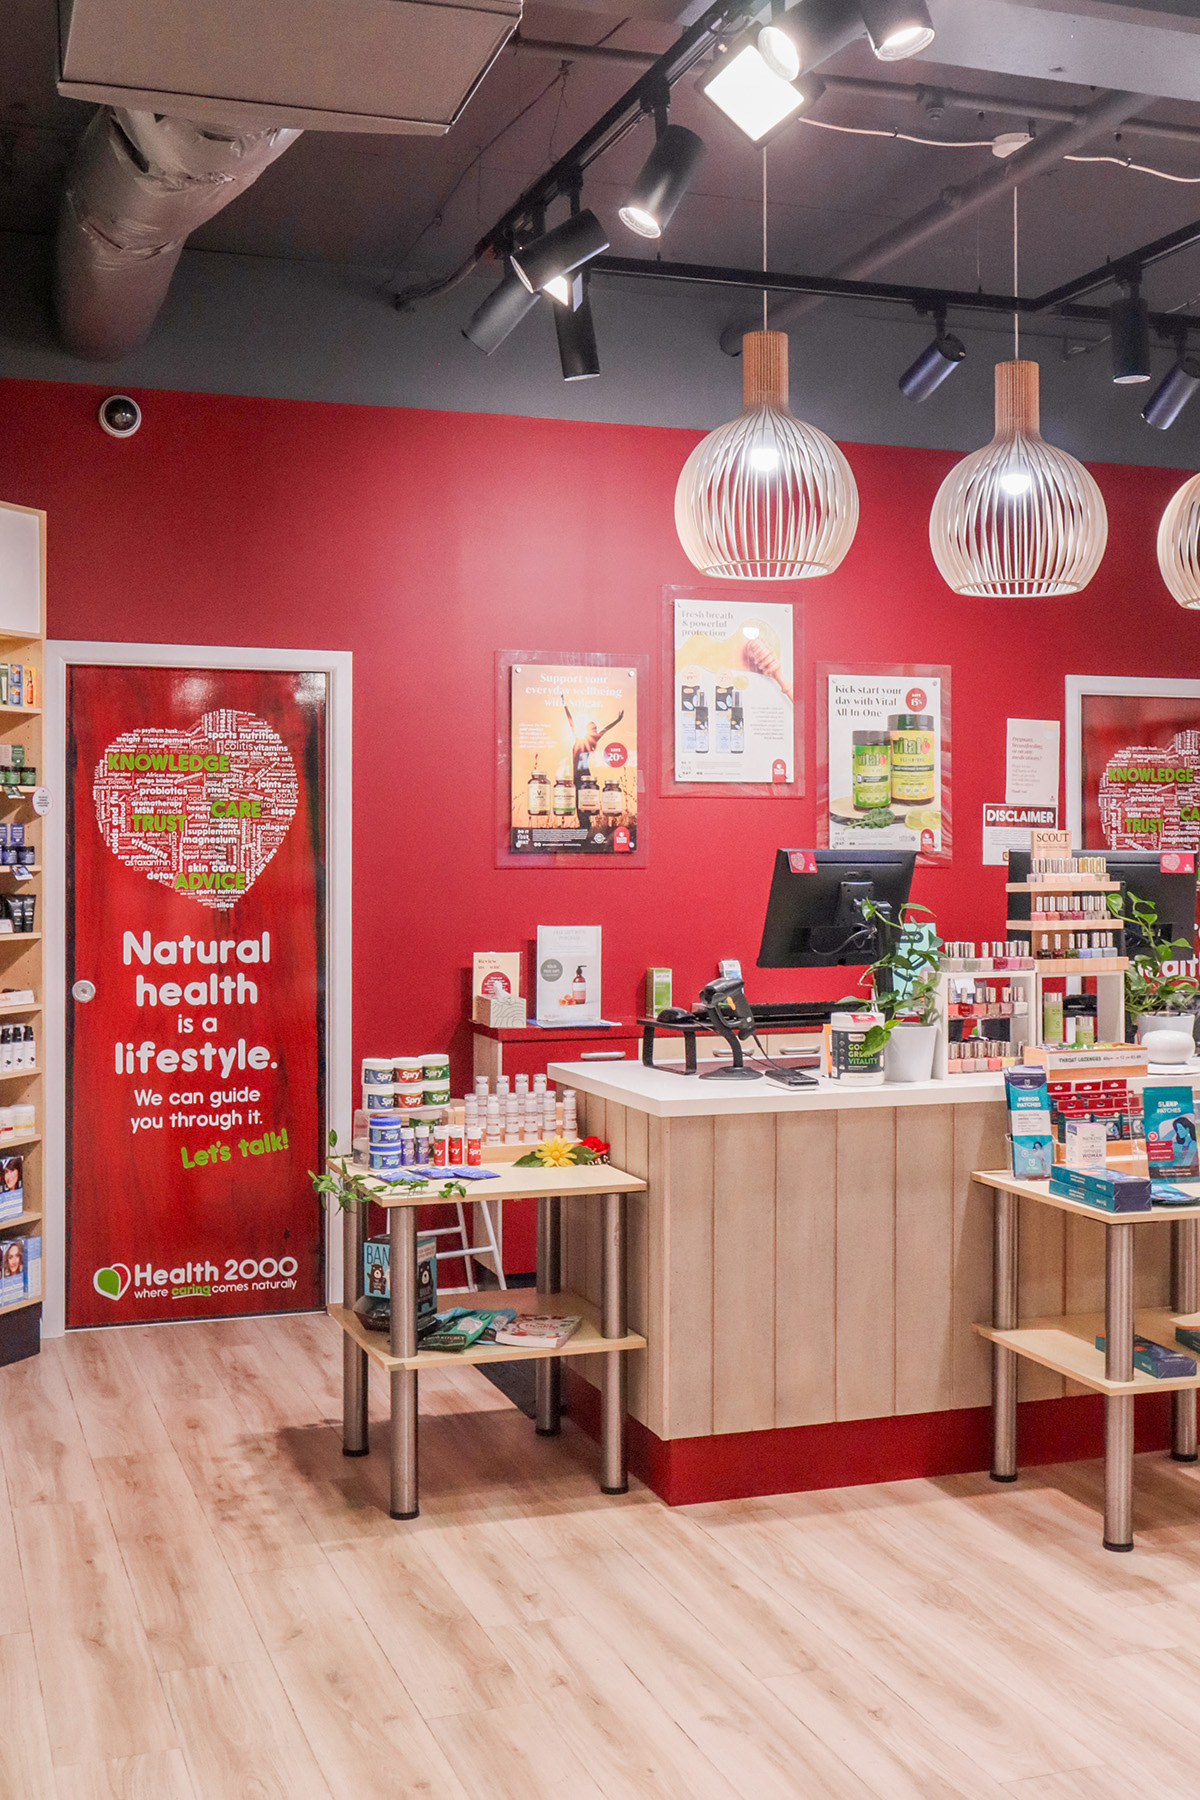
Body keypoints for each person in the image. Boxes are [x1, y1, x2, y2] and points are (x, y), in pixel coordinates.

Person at [563, 699, 624, 818]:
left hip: (583, 773)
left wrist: (617, 720)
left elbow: (606, 729)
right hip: (578, 773)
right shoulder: (580, 738)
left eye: (595, 729)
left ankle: (586, 826)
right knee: (579, 801)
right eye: (593, 728)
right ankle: (585, 826)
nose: (595, 730)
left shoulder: (591, 740)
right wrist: (565, 706)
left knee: (583, 801)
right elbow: (571, 722)